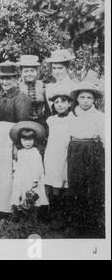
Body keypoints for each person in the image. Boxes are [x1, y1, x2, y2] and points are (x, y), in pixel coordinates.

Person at [0, 61, 31, 217]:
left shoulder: (21, 97)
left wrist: (18, 145)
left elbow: (23, 123)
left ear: (16, 78)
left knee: (9, 172)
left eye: (9, 78)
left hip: (12, 136)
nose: (5, 82)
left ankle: (9, 208)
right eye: (2, 78)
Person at [66, 81, 105, 236]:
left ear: (94, 100)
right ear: (77, 99)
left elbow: (104, 137)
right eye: (82, 97)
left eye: (89, 97)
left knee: (92, 184)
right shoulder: (72, 114)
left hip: (91, 150)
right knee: (75, 183)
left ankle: (92, 223)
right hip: (75, 150)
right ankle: (76, 223)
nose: (85, 101)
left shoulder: (99, 116)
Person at [43, 88, 75, 228]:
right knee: (52, 181)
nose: (60, 104)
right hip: (51, 155)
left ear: (69, 104)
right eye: (57, 102)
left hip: (65, 154)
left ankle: (64, 216)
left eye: (63, 101)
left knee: (63, 181)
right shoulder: (51, 120)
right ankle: (53, 214)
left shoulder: (72, 119)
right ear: (53, 105)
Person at [9, 121, 49, 216]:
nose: (27, 143)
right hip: (21, 176)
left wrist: (35, 180)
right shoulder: (20, 151)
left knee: (32, 193)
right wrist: (15, 171)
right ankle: (21, 211)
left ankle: (34, 213)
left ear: (34, 140)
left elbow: (37, 167)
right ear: (20, 140)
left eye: (30, 140)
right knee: (21, 192)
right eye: (24, 140)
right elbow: (17, 163)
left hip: (31, 177)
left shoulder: (35, 152)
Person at [17, 55, 51, 130]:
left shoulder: (43, 86)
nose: (29, 74)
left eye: (32, 71)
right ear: (21, 72)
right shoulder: (17, 87)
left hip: (41, 123)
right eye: (26, 71)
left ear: (37, 72)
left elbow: (48, 110)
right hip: (21, 124)